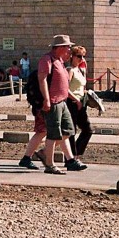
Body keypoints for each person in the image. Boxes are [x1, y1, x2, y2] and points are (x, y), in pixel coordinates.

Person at [37, 34, 87, 174]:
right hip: (53, 102)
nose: (69, 49)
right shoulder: (47, 60)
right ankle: (50, 164)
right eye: (67, 47)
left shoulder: (59, 60)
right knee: (53, 133)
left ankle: (52, 155)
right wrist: (46, 99)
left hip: (62, 101)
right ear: (59, 47)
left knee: (68, 130)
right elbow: (43, 80)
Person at [65, 45, 93, 161]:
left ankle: (75, 154)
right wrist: (76, 100)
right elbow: (65, 88)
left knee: (88, 129)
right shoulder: (69, 70)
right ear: (72, 56)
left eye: (83, 56)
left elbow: (82, 86)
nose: (81, 59)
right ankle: (71, 157)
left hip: (81, 103)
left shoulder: (80, 70)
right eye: (79, 56)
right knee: (72, 131)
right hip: (72, 102)